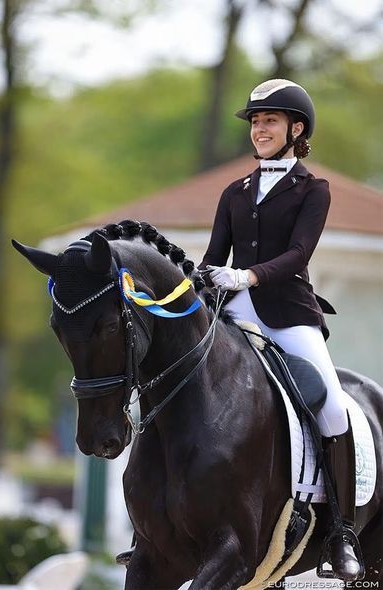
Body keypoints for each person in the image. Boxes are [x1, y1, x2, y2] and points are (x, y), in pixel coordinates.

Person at [200, 79, 363, 581]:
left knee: (334, 410)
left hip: (288, 314)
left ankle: (341, 533)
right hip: (234, 313)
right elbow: (212, 258)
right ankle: (152, 524)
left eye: (269, 120)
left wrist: (247, 275)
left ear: (296, 128)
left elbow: (298, 255)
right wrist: (198, 281)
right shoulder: (235, 191)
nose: (259, 129)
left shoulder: (314, 190)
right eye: (254, 121)